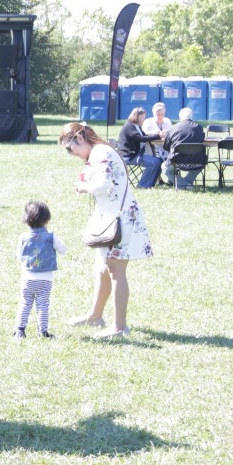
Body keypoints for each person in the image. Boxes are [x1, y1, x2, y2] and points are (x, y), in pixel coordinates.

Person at [61, 122, 152, 338]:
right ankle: (95, 316)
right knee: (103, 269)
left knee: (115, 270)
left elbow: (103, 185)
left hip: (120, 219)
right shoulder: (98, 152)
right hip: (113, 218)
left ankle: (119, 327)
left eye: (70, 148)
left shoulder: (100, 152)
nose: (71, 153)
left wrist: (83, 187)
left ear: (79, 138)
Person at [13, 200, 67, 340]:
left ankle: (20, 330)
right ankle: (42, 331)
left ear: (26, 220)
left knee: (25, 303)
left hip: (27, 278)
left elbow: (19, 256)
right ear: (47, 220)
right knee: (43, 305)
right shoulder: (51, 237)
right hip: (45, 280)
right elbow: (63, 250)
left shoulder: (23, 238)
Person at [116, 107, 165, 188]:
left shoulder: (136, 126)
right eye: (142, 117)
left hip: (136, 154)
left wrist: (158, 137)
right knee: (154, 162)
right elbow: (141, 138)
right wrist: (158, 135)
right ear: (135, 117)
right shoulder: (129, 126)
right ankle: (142, 185)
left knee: (160, 160)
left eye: (144, 117)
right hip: (129, 156)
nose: (143, 119)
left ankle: (152, 184)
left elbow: (145, 136)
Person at [162, 107, 207, 189]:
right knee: (201, 164)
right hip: (197, 161)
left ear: (180, 117)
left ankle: (183, 184)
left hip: (177, 161)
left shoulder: (173, 128)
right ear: (191, 117)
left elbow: (166, 146)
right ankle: (187, 184)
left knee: (165, 168)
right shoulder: (199, 128)